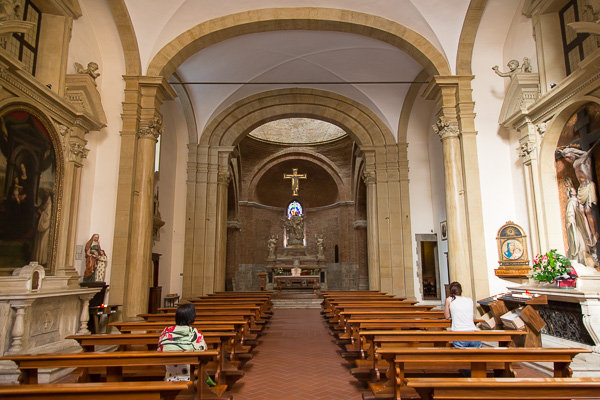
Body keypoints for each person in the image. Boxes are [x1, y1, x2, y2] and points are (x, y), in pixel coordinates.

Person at [158, 303, 207, 382]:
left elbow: (160, 351)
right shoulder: (195, 333)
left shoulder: (166, 331)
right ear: (192, 317)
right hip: (189, 374)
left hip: (169, 373)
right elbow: (203, 352)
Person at [444, 281, 481, 348]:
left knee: (459, 357)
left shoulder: (449, 300)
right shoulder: (469, 300)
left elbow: (447, 316)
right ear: (461, 290)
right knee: (476, 357)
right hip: (473, 334)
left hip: (459, 335)